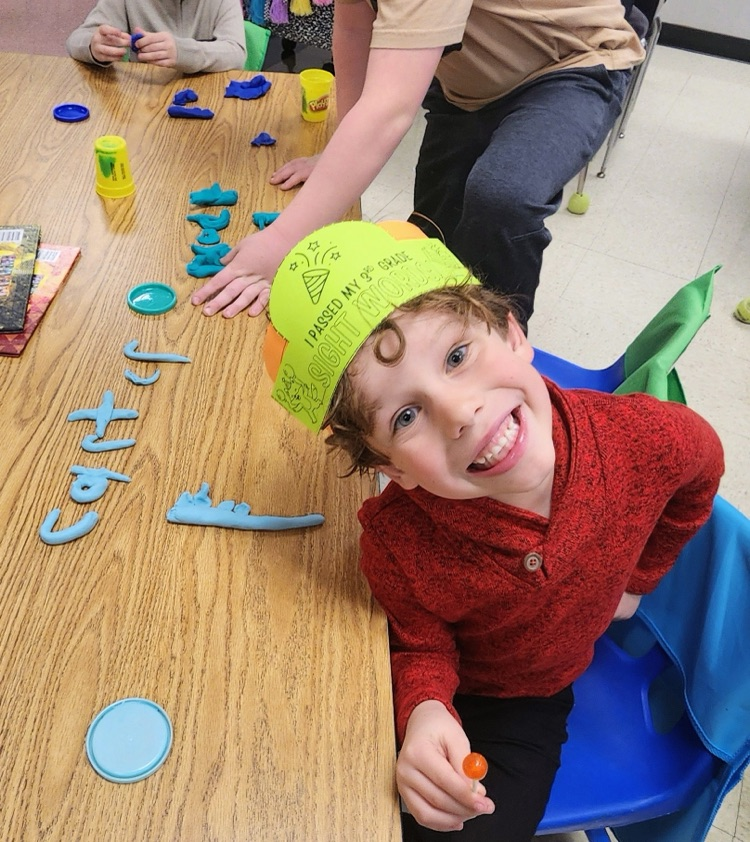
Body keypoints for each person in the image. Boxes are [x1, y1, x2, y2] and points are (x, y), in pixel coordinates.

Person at [262, 220, 725, 841]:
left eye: (456, 356)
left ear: (511, 332)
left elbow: (703, 464)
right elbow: (420, 640)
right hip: (434, 686)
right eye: (406, 415)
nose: (459, 412)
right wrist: (425, 707)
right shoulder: (397, 543)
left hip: (528, 699)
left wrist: (639, 577)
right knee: (308, 792)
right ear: (394, 469)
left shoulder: (643, 440)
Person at [192, 0, 644, 330]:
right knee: (432, 237)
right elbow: (354, 28)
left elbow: (389, 110)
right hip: (470, 87)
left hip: (571, 63)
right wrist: (335, 150)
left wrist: (281, 241)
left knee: (500, 198)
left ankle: (503, 351)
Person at [66, 0, 247, 73]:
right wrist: (93, 46)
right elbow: (76, 40)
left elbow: (237, 52)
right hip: (144, 102)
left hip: (209, 99)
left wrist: (183, 52)